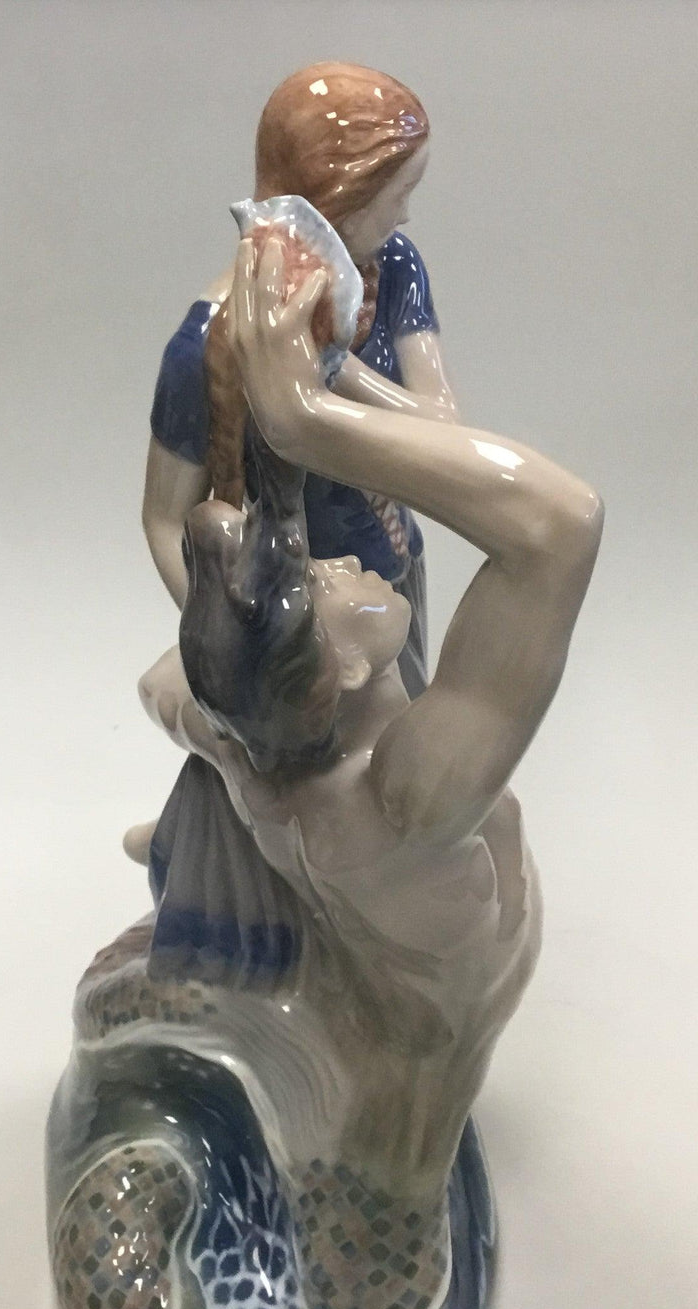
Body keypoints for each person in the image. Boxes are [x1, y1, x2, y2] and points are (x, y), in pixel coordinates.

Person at [47, 240, 602, 1309]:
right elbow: (557, 529)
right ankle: (321, 1277)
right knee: (371, 1255)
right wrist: (307, 407)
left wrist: (319, 391)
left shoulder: (273, 760)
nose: (354, 562)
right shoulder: (412, 792)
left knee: (196, 992)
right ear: (343, 670)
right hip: (418, 1058)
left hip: (367, 989)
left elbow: (187, 698)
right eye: (331, 581)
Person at [137, 63, 456, 979]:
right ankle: (274, 956)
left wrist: (327, 364)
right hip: (292, 627)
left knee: (395, 793)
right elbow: (164, 519)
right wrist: (236, 651)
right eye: (397, 196)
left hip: (385, 585)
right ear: (336, 198)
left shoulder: (390, 270)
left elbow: (441, 431)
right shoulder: (205, 347)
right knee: (287, 805)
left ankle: (374, 967)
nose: (406, 216)